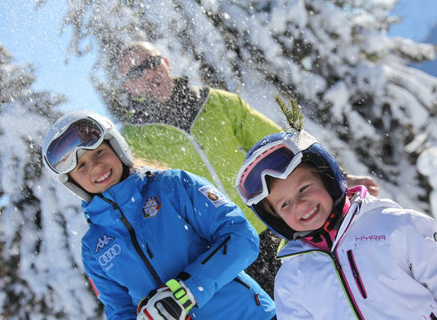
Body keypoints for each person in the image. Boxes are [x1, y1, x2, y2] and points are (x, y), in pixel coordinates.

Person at [115, 41, 380, 234]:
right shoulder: (136, 140)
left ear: (166, 63)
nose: (149, 74)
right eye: (137, 73)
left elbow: (283, 144)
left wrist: (339, 175)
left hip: (270, 225)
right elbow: (145, 207)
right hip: (219, 244)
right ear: (128, 86)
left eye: (152, 63)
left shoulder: (216, 103)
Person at [41, 110, 276, 320]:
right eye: (80, 166)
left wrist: (188, 290)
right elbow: (120, 311)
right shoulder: (94, 248)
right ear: (72, 183)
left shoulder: (174, 186)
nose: (95, 167)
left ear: (117, 147)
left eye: (99, 152)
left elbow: (241, 237)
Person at [235, 130, 437, 319]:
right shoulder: (292, 278)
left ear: (329, 179)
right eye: (285, 204)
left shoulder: (395, 225)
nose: (300, 204)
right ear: (276, 219)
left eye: (304, 188)